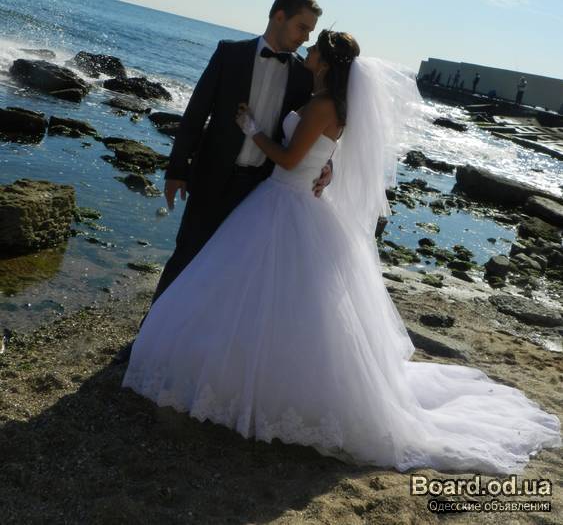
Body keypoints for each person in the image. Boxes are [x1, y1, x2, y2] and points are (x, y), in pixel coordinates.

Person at [122, 30, 561, 474]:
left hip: (286, 199)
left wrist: (251, 129)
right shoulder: (324, 101)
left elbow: (289, 160)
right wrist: (325, 164)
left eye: (315, 48)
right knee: (271, 298)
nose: (308, 50)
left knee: (267, 295)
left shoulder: (324, 106)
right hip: (288, 199)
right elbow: (319, 151)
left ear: (327, 62)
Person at [152, 0, 329, 304]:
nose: (305, 38)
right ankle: (151, 329)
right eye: (302, 27)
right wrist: (177, 170)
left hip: (259, 192)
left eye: (310, 32)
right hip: (211, 178)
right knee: (185, 258)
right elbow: (196, 113)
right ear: (279, 16)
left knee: (232, 272)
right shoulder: (229, 54)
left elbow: (311, 130)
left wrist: (327, 165)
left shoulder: (303, 76)